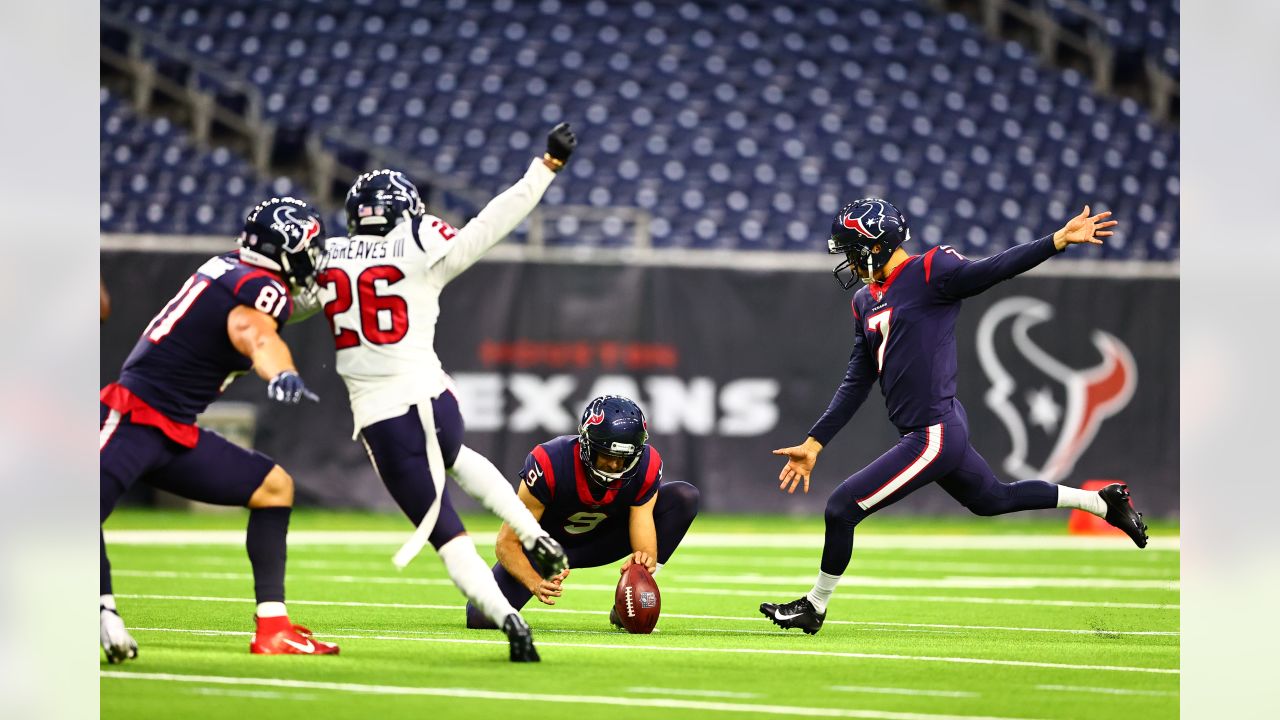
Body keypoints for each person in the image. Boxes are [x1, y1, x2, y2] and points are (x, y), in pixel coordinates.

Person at [761, 198, 1148, 635]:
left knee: (841, 508)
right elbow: (857, 379)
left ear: (875, 244)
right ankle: (1102, 502)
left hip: (933, 433)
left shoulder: (931, 270)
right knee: (992, 500)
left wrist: (1056, 240)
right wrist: (816, 442)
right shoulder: (865, 301)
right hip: (935, 428)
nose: (849, 261)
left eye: (852, 249)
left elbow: (992, 269)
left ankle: (815, 605)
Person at [316, 123, 577, 662]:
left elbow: (289, 305)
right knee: (457, 456)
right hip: (432, 395)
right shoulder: (420, 240)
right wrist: (543, 168)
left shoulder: (330, 257)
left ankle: (509, 622)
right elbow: (489, 225)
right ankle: (533, 534)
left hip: (381, 414)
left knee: (448, 534)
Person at [100, 197, 338, 661]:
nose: (314, 257)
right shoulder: (259, 290)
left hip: (175, 431)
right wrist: (280, 373)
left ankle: (273, 628)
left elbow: (262, 316)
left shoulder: (233, 267)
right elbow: (252, 331)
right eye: (309, 247)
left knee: (274, 487)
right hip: (135, 417)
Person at [464, 395, 700, 630]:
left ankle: (624, 607)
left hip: (602, 541)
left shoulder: (645, 464)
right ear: (587, 444)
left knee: (683, 498)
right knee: (481, 618)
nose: (616, 465)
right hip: (546, 549)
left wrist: (640, 570)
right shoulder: (550, 462)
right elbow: (507, 543)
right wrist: (534, 582)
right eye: (609, 454)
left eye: (624, 457)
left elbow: (643, 531)